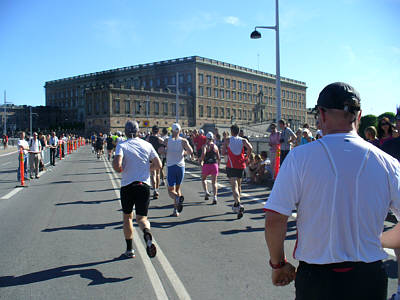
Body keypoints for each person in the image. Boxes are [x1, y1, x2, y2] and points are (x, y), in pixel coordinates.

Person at [263, 82, 400, 300]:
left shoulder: (299, 157)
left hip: (317, 278)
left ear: (322, 114)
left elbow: (275, 219)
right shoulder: (389, 163)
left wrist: (278, 264)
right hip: (369, 277)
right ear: (359, 115)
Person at [112, 120, 161, 258]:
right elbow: (158, 164)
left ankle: (129, 250)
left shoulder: (122, 145)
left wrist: (119, 168)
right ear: (138, 131)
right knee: (142, 218)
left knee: (127, 217)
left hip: (127, 185)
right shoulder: (147, 144)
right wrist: (147, 169)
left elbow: (117, 165)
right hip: (143, 185)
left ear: (126, 132)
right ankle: (146, 232)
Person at [222, 124, 252, 219]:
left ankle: (238, 204)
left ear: (231, 131)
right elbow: (250, 148)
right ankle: (237, 203)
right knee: (239, 185)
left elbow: (222, 152)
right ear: (238, 131)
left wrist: (227, 152)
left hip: (231, 165)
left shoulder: (227, 140)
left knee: (234, 186)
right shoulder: (243, 140)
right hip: (240, 164)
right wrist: (247, 157)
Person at [165, 123, 193, 217]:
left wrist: (166, 152)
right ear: (180, 131)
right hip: (181, 167)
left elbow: (160, 149)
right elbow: (191, 151)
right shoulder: (183, 141)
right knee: (178, 188)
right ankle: (175, 210)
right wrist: (184, 153)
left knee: (170, 190)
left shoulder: (167, 140)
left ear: (171, 131)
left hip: (171, 166)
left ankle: (177, 199)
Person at [199, 132, 220, 204]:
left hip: (207, 165)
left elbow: (203, 153)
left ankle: (206, 192)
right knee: (214, 182)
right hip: (214, 165)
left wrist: (201, 160)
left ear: (207, 138)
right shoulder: (215, 146)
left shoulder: (205, 146)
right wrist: (218, 165)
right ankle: (215, 197)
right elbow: (218, 157)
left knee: (203, 178)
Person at [146, 125, 164, 199]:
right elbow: (164, 146)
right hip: (158, 157)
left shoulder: (148, 138)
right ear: (158, 131)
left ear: (152, 131)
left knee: (152, 174)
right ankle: (157, 189)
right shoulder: (160, 139)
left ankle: (154, 190)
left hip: (150, 158)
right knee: (158, 174)